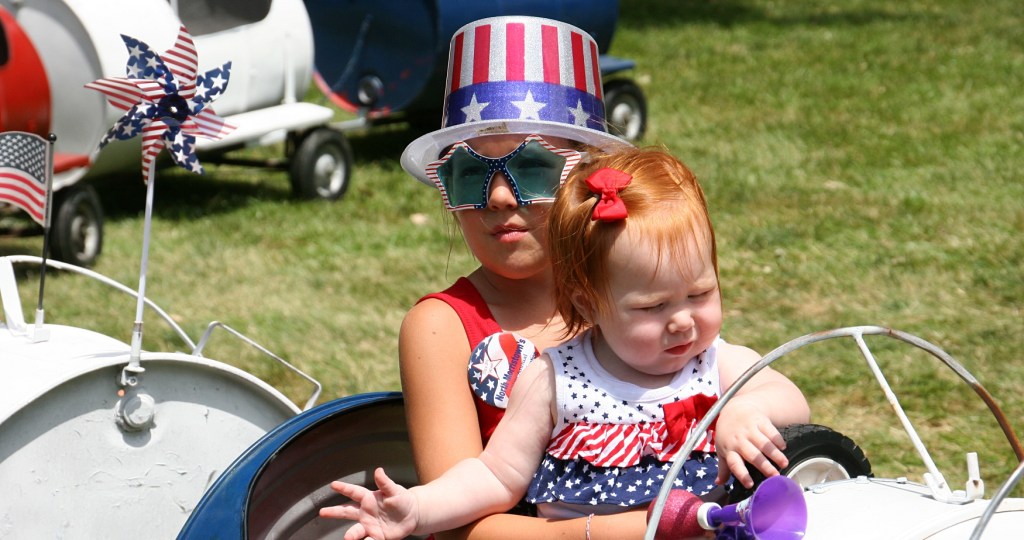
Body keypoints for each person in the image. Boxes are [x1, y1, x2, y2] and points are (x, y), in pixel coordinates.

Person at [322, 148, 811, 540]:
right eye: (650, 308)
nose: (682, 321)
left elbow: (790, 400)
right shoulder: (555, 378)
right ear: (590, 303)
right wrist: (420, 507)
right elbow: (495, 477)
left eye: (701, 294)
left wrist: (744, 412)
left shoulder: (714, 363)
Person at [322, 14, 644, 540]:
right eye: (469, 173)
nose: (498, 196)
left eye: (533, 169)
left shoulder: (638, 289)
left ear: (590, 179)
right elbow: (458, 525)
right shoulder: (441, 328)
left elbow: (724, 378)